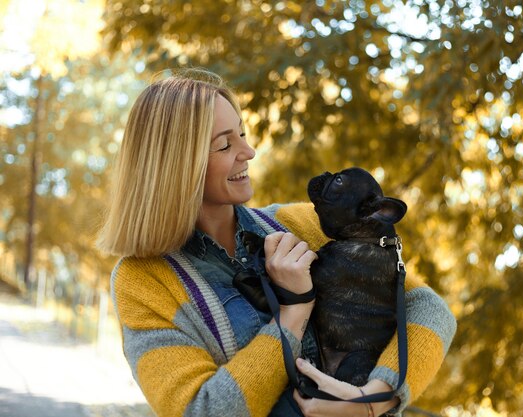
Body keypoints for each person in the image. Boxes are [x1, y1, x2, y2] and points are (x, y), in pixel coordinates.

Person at [98, 68, 456, 417]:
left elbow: (428, 307)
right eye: (225, 144)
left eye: (242, 133)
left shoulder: (299, 223)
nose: (249, 151)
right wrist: (293, 314)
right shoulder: (142, 280)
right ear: (176, 165)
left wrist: (376, 397)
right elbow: (201, 408)